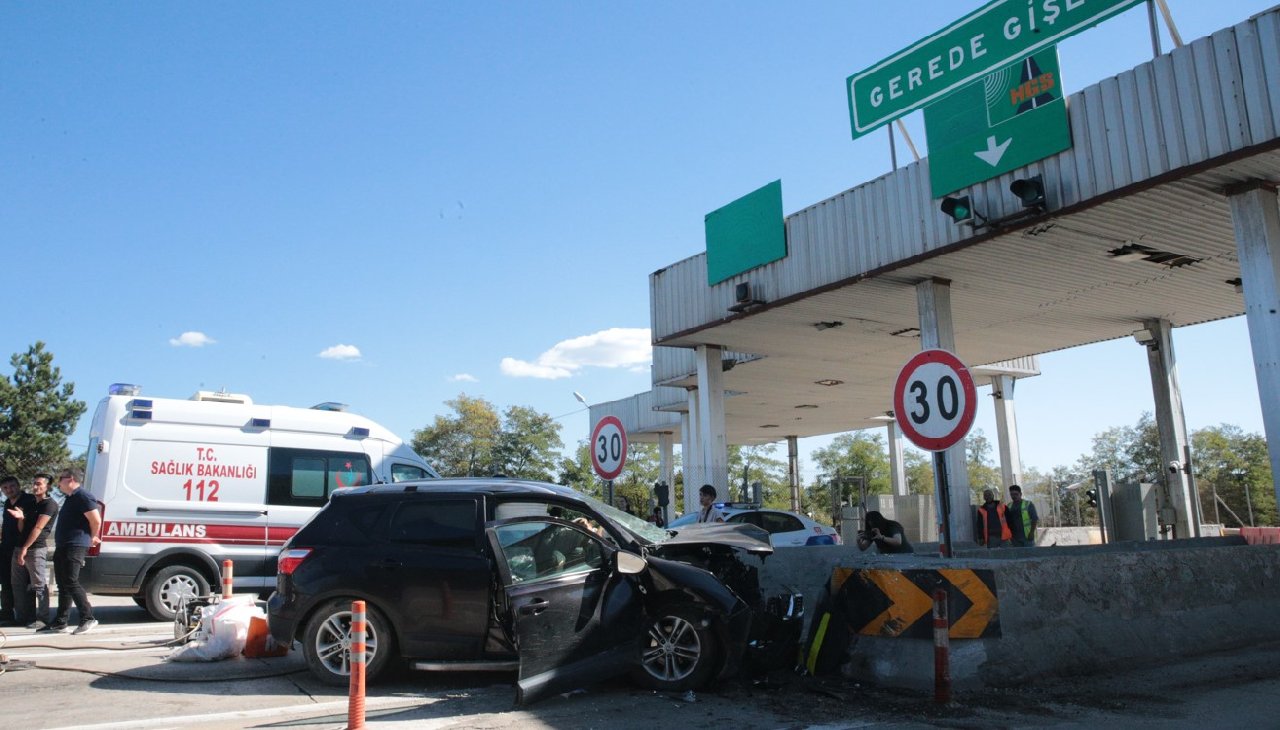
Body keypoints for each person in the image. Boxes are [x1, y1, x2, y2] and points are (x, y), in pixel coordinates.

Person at [40, 469, 101, 635]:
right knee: (63, 584)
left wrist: (92, 537)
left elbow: (95, 520)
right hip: (64, 545)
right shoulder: (70, 498)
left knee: (71, 581)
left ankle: (87, 618)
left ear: (71, 479)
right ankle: (61, 622)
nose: (59, 482)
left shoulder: (83, 495)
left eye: (61, 479)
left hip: (75, 544)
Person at [14, 473, 59, 628]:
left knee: (39, 585)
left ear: (47, 486)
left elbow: (39, 528)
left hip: (35, 548)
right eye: (34, 483)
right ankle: (22, 617)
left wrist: (25, 548)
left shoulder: (49, 504)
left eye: (39, 484)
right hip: (20, 546)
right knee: (18, 584)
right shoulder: (31, 503)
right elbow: (23, 529)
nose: (35, 487)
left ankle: (43, 618)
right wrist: (21, 518)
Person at [0, 476, 33, 626]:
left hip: (22, 547)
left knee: (23, 583)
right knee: (5, 581)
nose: (9, 490)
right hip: (6, 547)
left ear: (18, 485)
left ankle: (26, 616)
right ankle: (7, 613)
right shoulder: (7, 502)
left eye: (12, 486)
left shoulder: (28, 500)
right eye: (5, 488)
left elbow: (31, 524)